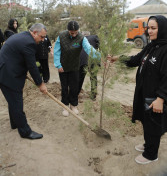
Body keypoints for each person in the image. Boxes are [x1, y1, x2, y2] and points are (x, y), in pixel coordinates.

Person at [108, 15, 167, 164]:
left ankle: (151, 155)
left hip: (156, 98)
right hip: (145, 92)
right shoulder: (151, 45)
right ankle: (148, 145)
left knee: (153, 125)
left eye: (154, 28)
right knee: (147, 122)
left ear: (163, 29)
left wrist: (161, 98)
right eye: (148, 28)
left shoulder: (165, 50)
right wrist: (118, 59)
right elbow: (136, 59)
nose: (149, 31)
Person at [0, 23, 48, 139]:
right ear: (35, 33)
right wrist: (40, 84)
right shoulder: (29, 43)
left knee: (13, 101)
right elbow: (32, 66)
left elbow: (18, 56)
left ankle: (15, 123)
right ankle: (25, 132)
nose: (42, 40)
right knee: (17, 102)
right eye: (41, 37)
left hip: (6, 70)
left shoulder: (23, 36)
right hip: (8, 75)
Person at [54, 21, 100, 117]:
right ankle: (65, 106)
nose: (74, 34)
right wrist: (58, 65)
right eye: (71, 32)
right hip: (63, 66)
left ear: (78, 30)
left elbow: (89, 49)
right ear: (68, 30)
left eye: (75, 32)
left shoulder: (81, 38)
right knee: (65, 87)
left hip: (75, 66)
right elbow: (57, 51)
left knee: (74, 87)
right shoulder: (61, 36)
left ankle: (73, 105)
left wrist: (99, 57)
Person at [78, 32, 100, 100]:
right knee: (93, 78)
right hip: (92, 59)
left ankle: (76, 93)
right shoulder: (94, 36)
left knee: (80, 78)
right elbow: (98, 46)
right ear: (89, 34)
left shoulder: (80, 39)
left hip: (82, 60)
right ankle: (93, 96)